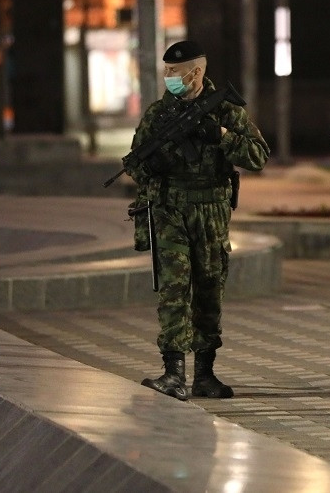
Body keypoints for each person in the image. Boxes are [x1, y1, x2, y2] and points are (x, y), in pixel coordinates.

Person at [127, 40, 270, 401]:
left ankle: (205, 374)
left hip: (211, 212)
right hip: (169, 210)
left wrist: (220, 135)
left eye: (175, 71)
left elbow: (258, 156)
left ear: (197, 72)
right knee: (174, 289)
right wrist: (153, 165)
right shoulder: (160, 114)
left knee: (209, 291)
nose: (169, 77)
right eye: (166, 71)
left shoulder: (225, 110)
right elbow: (135, 163)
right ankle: (173, 372)